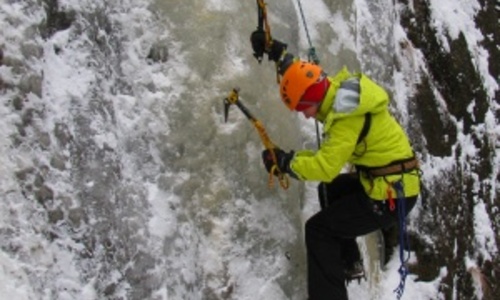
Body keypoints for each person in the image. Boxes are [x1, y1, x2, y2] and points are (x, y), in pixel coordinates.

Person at [250, 33, 421, 300]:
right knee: (331, 190)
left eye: (302, 108)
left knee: (319, 231)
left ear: (310, 100)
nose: (305, 115)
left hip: (391, 195)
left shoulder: (345, 119)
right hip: (389, 182)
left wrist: (286, 162)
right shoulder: (341, 90)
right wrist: (281, 58)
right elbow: (311, 81)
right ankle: (349, 262)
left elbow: (326, 165)